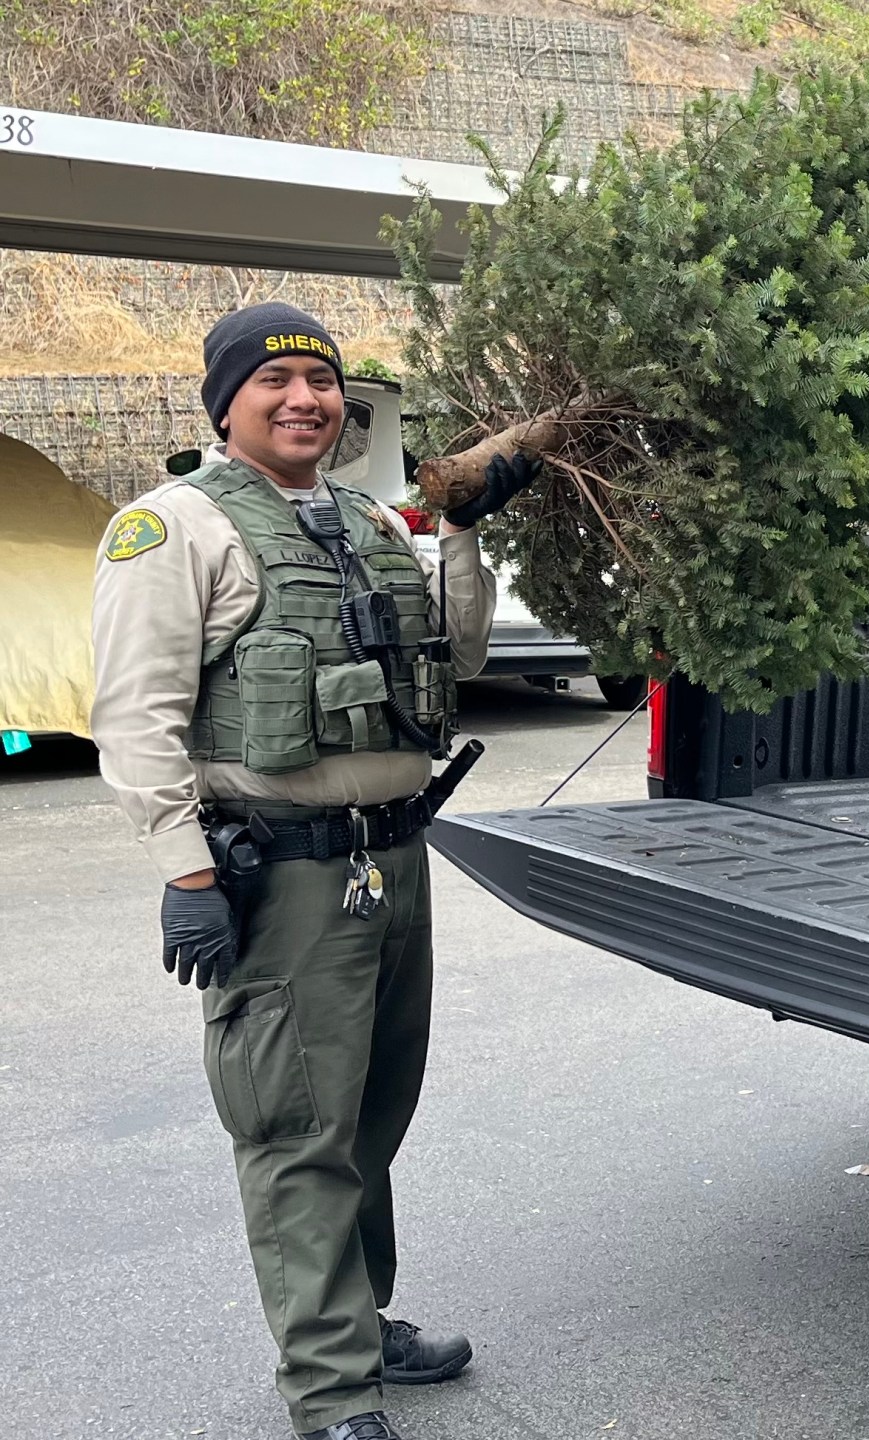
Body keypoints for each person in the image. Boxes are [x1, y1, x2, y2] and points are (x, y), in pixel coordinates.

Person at [90, 302, 538, 1440]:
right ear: (226, 401)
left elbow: (464, 652)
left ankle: (356, 1316)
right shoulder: (173, 527)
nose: (305, 399)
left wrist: (462, 534)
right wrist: (188, 878)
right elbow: (134, 717)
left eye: (323, 382)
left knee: (371, 1115)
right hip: (279, 875)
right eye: (275, 379)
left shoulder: (367, 519)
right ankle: (331, 1390)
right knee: (296, 1128)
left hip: (392, 859)